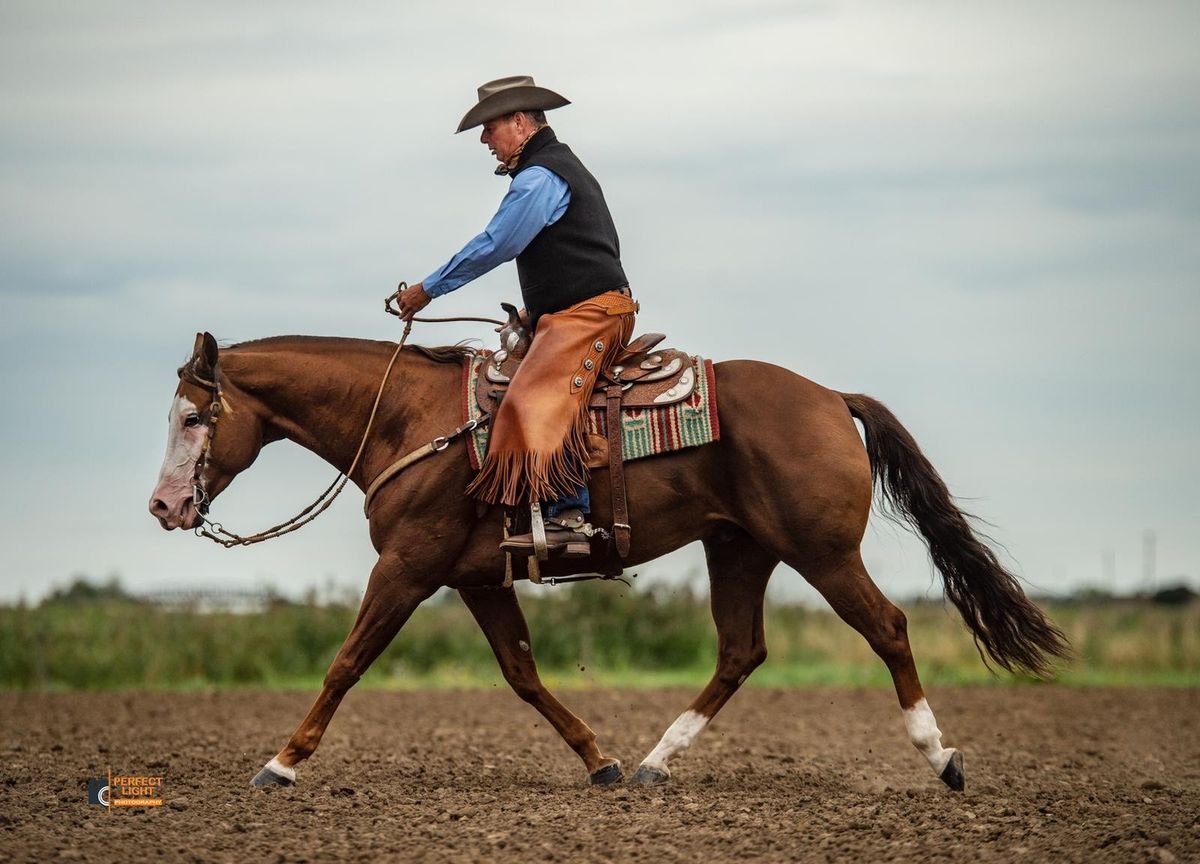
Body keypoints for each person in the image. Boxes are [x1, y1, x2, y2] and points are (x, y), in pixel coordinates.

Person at [394, 76, 636, 558]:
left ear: (520, 123)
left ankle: (570, 516)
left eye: (489, 128)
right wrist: (534, 311)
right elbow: (579, 255)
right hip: (580, 310)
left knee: (532, 396)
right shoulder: (554, 170)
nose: (485, 140)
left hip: (592, 315)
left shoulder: (539, 177)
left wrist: (429, 289)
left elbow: (498, 244)